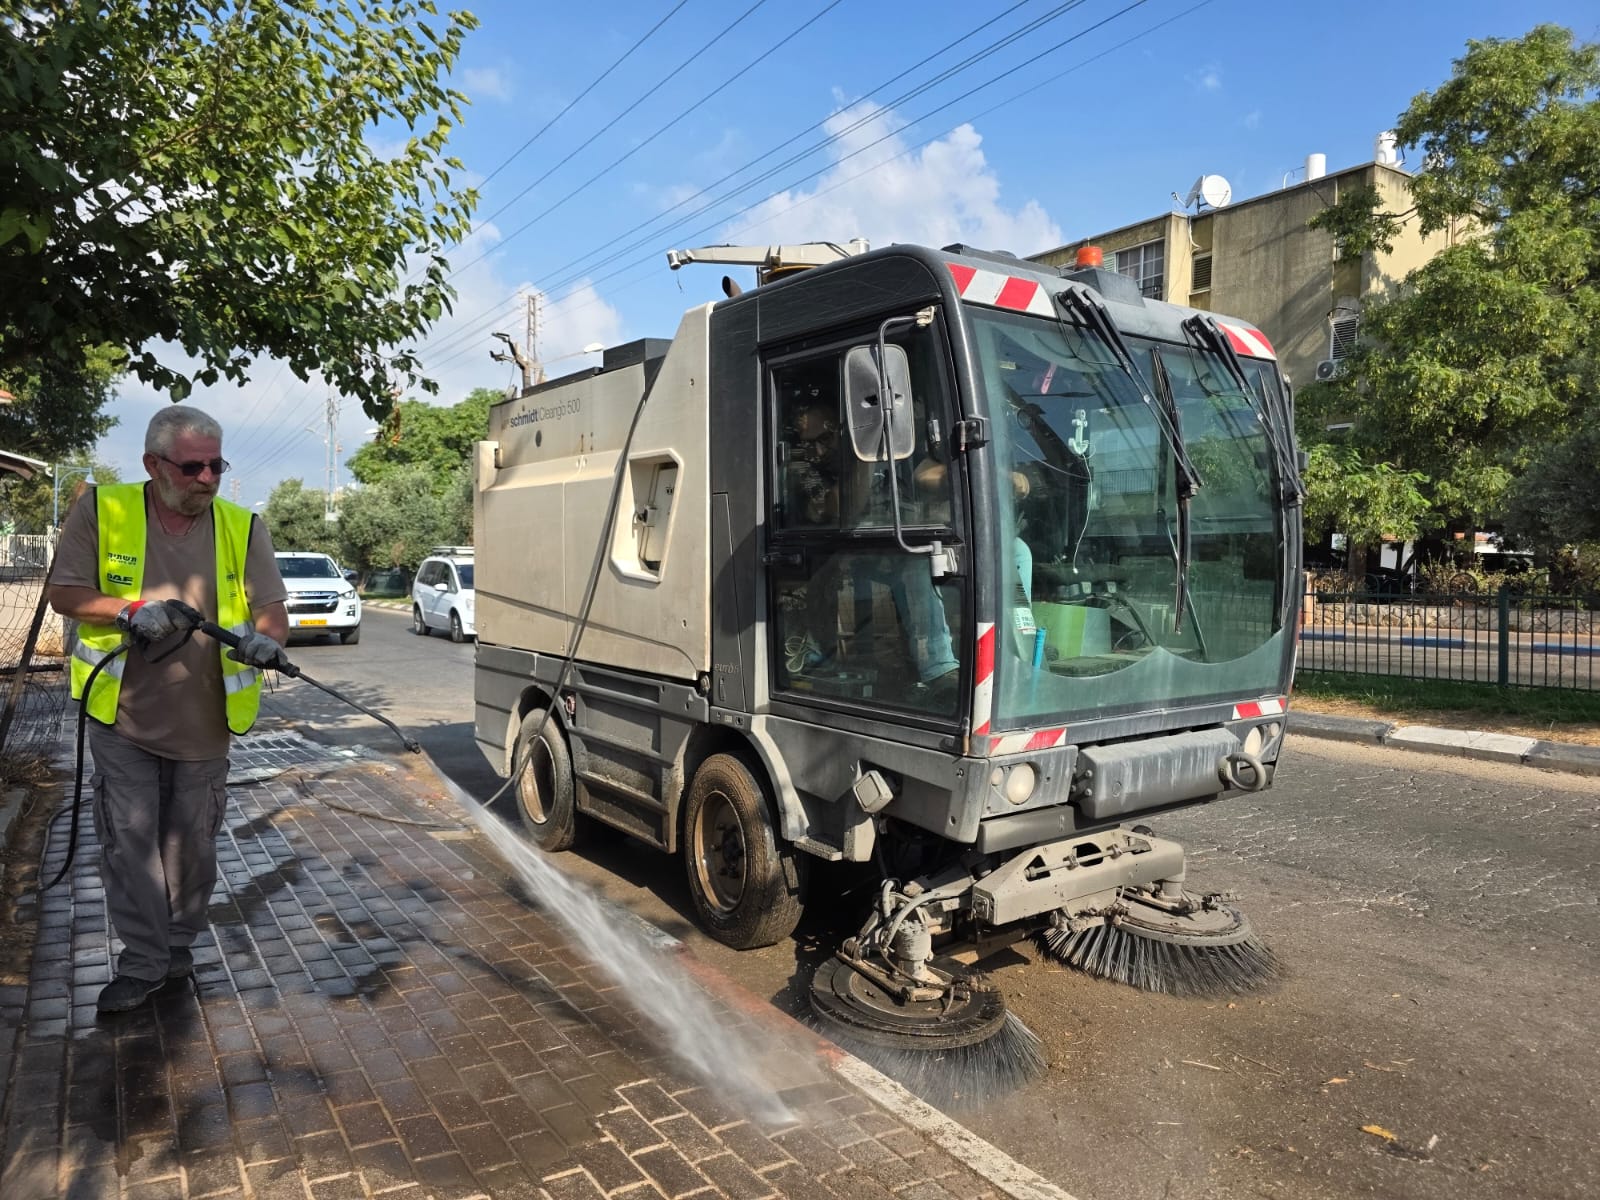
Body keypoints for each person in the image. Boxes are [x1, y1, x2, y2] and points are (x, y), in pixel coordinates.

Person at [48, 405, 290, 1013]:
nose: (207, 479)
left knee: (193, 849)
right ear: (153, 465)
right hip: (121, 717)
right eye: (192, 467)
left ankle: (177, 946)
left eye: (215, 464)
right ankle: (145, 962)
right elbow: (65, 593)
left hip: (207, 723)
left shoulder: (242, 524)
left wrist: (269, 640)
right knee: (130, 844)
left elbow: (271, 608)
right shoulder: (103, 510)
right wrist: (127, 610)